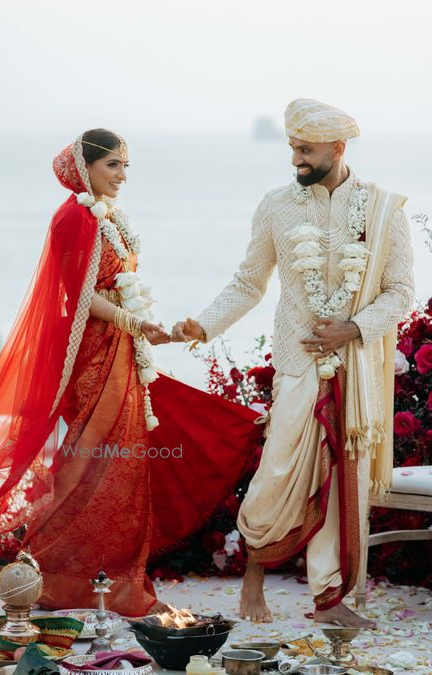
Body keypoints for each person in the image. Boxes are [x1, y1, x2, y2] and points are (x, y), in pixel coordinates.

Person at [0, 129, 261, 616]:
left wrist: (135, 324)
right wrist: (130, 320)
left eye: (126, 166)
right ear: (83, 167)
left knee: (119, 461)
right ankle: (58, 573)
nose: (122, 176)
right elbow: (80, 295)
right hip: (93, 352)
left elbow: (115, 285)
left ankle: (103, 576)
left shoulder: (105, 215)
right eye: (113, 165)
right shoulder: (73, 216)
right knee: (99, 459)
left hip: (120, 346)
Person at [172, 99, 415, 627]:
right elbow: (248, 282)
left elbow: (400, 292)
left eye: (305, 150)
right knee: (278, 469)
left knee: (342, 481)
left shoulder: (383, 209)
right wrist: (205, 326)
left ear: (337, 148)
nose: (295, 160)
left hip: (357, 367)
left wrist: (352, 328)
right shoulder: (276, 206)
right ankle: (254, 574)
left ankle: (329, 599)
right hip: (298, 361)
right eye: (292, 149)